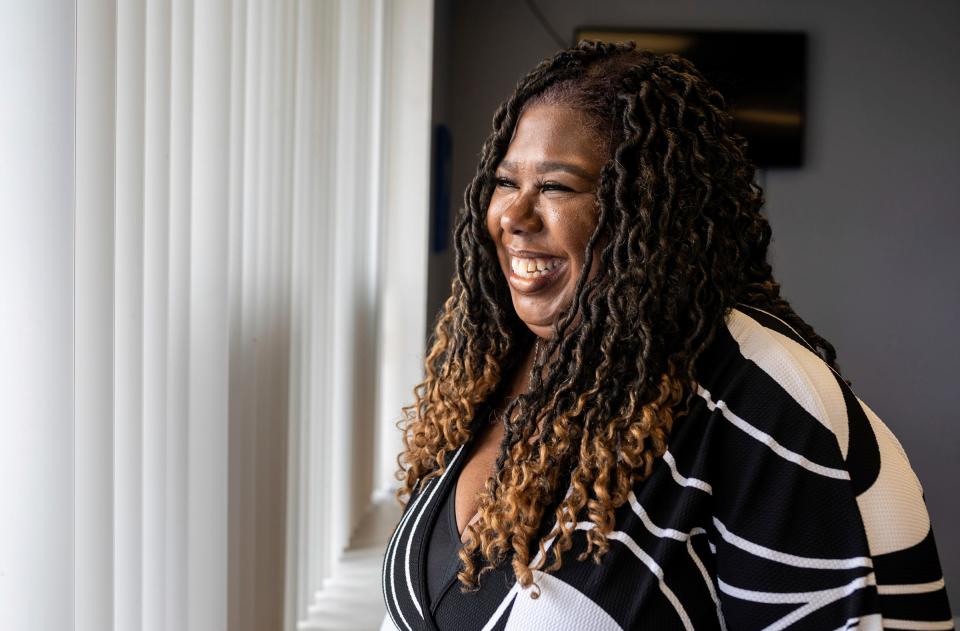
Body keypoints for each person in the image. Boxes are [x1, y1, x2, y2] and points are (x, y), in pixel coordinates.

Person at [380, 40, 953, 631]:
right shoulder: (501, 365)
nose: (514, 217)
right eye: (505, 182)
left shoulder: (759, 398)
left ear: (647, 208)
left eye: (556, 187)